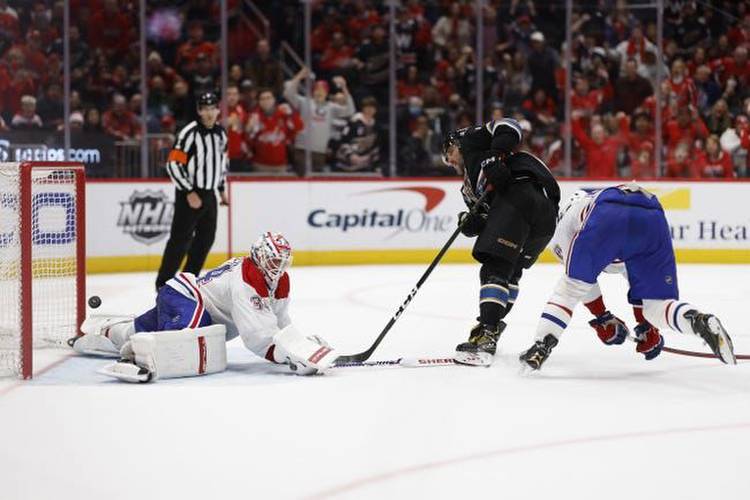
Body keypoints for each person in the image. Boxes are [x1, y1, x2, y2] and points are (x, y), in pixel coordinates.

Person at [519, 186, 736, 371]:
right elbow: (637, 279)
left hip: (606, 215)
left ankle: (540, 347)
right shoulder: (589, 201)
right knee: (657, 307)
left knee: (568, 289)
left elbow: (581, 284)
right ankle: (697, 321)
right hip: (652, 212)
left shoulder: (564, 227)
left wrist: (602, 318)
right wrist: (645, 324)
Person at [70, 233, 338, 380]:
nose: (278, 268)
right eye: (273, 261)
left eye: (282, 262)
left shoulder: (277, 280)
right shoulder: (247, 280)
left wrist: (300, 345)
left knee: (139, 330)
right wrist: (288, 356)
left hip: (187, 301)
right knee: (187, 337)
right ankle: (135, 353)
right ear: (259, 257)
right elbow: (257, 337)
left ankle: (103, 335)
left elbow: (279, 322)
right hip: (185, 296)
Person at [441, 118, 560, 366]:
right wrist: (472, 222)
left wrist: (495, 155)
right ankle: (491, 324)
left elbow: (509, 125)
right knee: (511, 272)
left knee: (495, 267)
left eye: (449, 153)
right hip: (544, 217)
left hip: (523, 196)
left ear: (455, 143)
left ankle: (488, 332)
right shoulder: (468, 189)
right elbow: (488, 220)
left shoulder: (470, 142)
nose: (450, 162)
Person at [156, 91, 229, 290]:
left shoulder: (221, 133)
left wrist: (221, 189)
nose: (209, 113)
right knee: (180, 240)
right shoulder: (189, 132)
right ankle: (163, 284)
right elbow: (173, 164)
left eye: (213, 108)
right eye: (205, 109)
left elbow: (222, 163)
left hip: (210, 194)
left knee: (206, 239)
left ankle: (188, 282)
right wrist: (189, 191)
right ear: (199, 110)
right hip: (189, 193)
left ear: (218, 110)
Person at [283, 68, 355, 174]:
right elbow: (288, 94)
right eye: (317, 90)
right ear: (313, 92)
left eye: (322, 90)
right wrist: (299, 76)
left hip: (320, 151)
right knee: (301, 181)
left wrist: (344, 87)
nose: (319, 92)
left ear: (326, 93)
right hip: (302, 149)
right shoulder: (304, 102)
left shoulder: (331, 107)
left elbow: (350, 110)